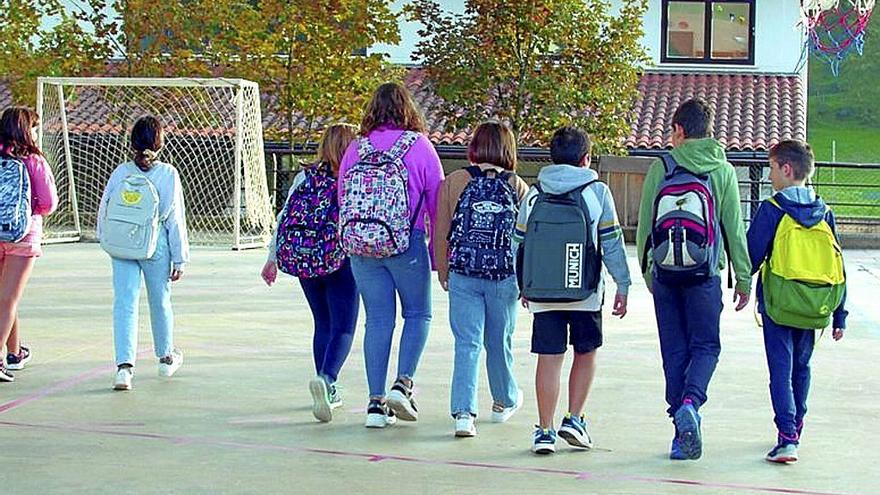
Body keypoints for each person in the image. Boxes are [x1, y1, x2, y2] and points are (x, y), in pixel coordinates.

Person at [635, 98, 752, 460]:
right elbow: (733, 228)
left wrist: (649, 274)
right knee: (706, 346)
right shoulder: (723, 170)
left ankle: (678, 433)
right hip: (705, 276)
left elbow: (643, 228)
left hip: (667, 275)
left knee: (674, 350)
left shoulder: (662, 167)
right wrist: (743, 279)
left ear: (680, 131)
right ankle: (691, 404)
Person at [514, 126, 630, 454]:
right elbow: (612, 243)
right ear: (586, 159)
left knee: (549, 358)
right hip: (586, 292)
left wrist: (524, 283)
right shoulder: (597, 192)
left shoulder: (535, 194)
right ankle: (574, 419)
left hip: (543, 293)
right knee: (585, 352)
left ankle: (544, 430)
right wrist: (622, 284)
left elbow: (518, 243)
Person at [337, 82, 444, 428]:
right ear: (408, 109)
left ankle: (374, 404)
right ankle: (403, 383)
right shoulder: (420, 147)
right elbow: (436, 203)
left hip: (361, 246)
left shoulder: (357, 148)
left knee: (378, 321)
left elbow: (342, 198)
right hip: (405, 243)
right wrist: (435, 251)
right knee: (418, 314)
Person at [747, 140, 848, 464]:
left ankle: (786, 436)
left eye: (772, 168)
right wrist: (839, 314)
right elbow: (837, 265)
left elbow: (751, 255)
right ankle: (796, 429)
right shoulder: (825, 211)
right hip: (814, 304)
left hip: (779, 304)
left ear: (786, 169)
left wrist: (741, 281)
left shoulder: (772, 209)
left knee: (781, 369)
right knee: (802, 368)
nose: (770, 176)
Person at [433, 121, 528, 437]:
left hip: (463, 274)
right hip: (504, 277)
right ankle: (503, 401)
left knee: (467, 343)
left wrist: (443, 271)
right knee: (499, 341)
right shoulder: (517, 186)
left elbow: (442, 231)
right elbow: (525, 239)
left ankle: (463, 414)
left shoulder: (454, 181)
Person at [261, 123, 360, 423]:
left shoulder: (305, 176)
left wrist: (272, 257)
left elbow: (284, 216)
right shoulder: (353, 178)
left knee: (323, 323)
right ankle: (327, 379)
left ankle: (325, 382)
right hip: (339, 259)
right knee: (344, 327)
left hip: (304, 259)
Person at [98, 115, 189, 391]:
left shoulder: (122, 172)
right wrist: (180, 257)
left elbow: (105, 209)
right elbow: (175, 219)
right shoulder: (168, 174)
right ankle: (165, 357)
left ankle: (124, 369)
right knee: (160, 300)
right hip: (155, 243)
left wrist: (105, 239)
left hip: (123, 244)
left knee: (124, 303)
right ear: (160, 142)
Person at [0, 106, 59, 382]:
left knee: (7, 297)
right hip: (23, 236)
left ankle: (15, 352)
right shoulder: (33, 161)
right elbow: (48, 204)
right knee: (8, 298)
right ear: (27, 129)